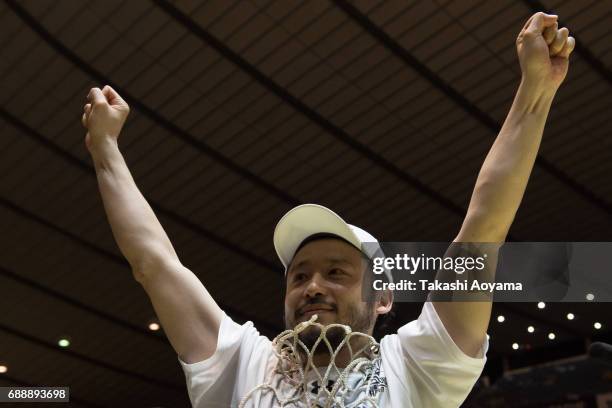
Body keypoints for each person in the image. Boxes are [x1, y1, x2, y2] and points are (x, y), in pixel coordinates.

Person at [81, 11, 574, 407]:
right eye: (299, 277)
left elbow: (483, 226)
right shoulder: (241, 364)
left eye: (337, 272)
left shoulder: (419, 363)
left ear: (383, 298)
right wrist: (105, 149)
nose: (312, 287)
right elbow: (154, 263)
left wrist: (536, 91)